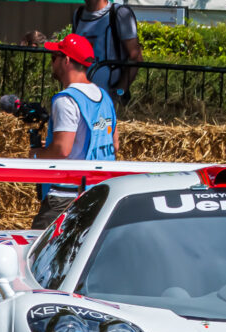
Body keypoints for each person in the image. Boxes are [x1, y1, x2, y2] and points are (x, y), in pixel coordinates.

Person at [29, 34, 118, 230]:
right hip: (99, 192)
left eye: (54, 57)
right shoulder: (104, 97)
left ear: (66, 60)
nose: (52, 63)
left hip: (66, 195)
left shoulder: (66, 100)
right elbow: (114, 144)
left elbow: (62, 150)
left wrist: (35, 154)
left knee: (37, 249)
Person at [71, 0, 143, 105]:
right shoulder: (78, 14)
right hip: (82, 99)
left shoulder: (120, 13)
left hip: (108, 101)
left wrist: (119, 94)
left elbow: (136, 57)